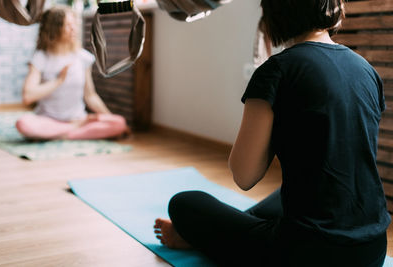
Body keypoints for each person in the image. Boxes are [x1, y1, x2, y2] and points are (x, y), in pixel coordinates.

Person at [153, 0, 391, 266]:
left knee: (185, 203)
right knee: (287, 194)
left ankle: (201, 236)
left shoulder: (276, 70)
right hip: (372, 250)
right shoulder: (366, 70)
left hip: (305, 255)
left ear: (272, 17)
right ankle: (223, 232)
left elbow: (244, 176)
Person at [16, 6, 130, 140]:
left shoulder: (83, 57)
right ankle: (72, 132)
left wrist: (110, 118)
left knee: (119, 122)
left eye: (74, 24)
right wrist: (58, 81)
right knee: (23, 124)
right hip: (49, 121)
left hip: (78, 119)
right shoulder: (41, 58)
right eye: (68, 25)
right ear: (54, 28)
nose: (74, 29)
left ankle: (61, 134)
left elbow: (90, 95)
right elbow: (28, 96)